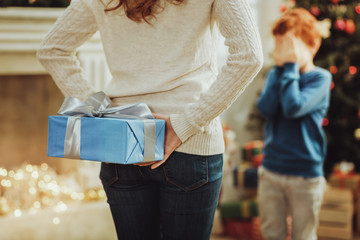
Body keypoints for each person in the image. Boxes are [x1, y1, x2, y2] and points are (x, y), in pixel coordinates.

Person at [37, 0, 263, 239]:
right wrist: (185, 123)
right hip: (191, 148)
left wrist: (100, 110)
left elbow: (52, 49)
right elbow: (249, 55)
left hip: (124, 141)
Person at [256, 8, 332, 240]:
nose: (283, 51)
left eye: (290, 44)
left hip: (305, 176)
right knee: (271, 233)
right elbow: (265, 108)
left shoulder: (320, 78)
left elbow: (293, 107)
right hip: (271, 171)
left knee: (304, 235)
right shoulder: (277, 74)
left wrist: (289, 67)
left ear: (312, 45)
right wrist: (282, 71)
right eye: (279, 44)